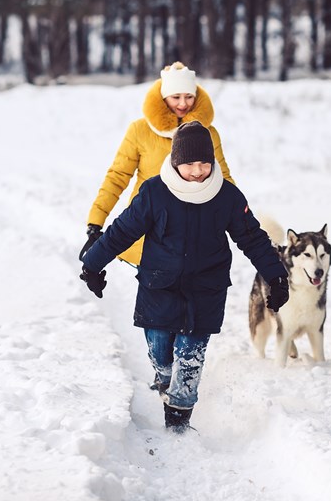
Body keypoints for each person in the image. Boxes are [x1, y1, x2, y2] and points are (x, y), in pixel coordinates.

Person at [79, 121, 289, 433]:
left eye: (205, 163)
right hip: (159, 287)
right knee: (162, 353)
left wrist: (276, 277)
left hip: (205, 289)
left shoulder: (227, 196)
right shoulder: (154, 193)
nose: (198, 171)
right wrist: (92, 265)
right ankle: (164, 379)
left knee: (190, 359)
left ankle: (177, 425)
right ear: (176, 162)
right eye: (190, 164)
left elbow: (252, 238)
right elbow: (123, 231)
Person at [81, 62, 234, 266]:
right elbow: (117, 176)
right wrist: (95, 222)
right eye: (176, 97)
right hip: (149, 224)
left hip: (194, 225)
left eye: (189, 96)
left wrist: (244, 220)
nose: (183, 104)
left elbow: (222, 177)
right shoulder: (140, 130)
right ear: (163, 98)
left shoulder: (207, 133)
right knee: (156, 292)